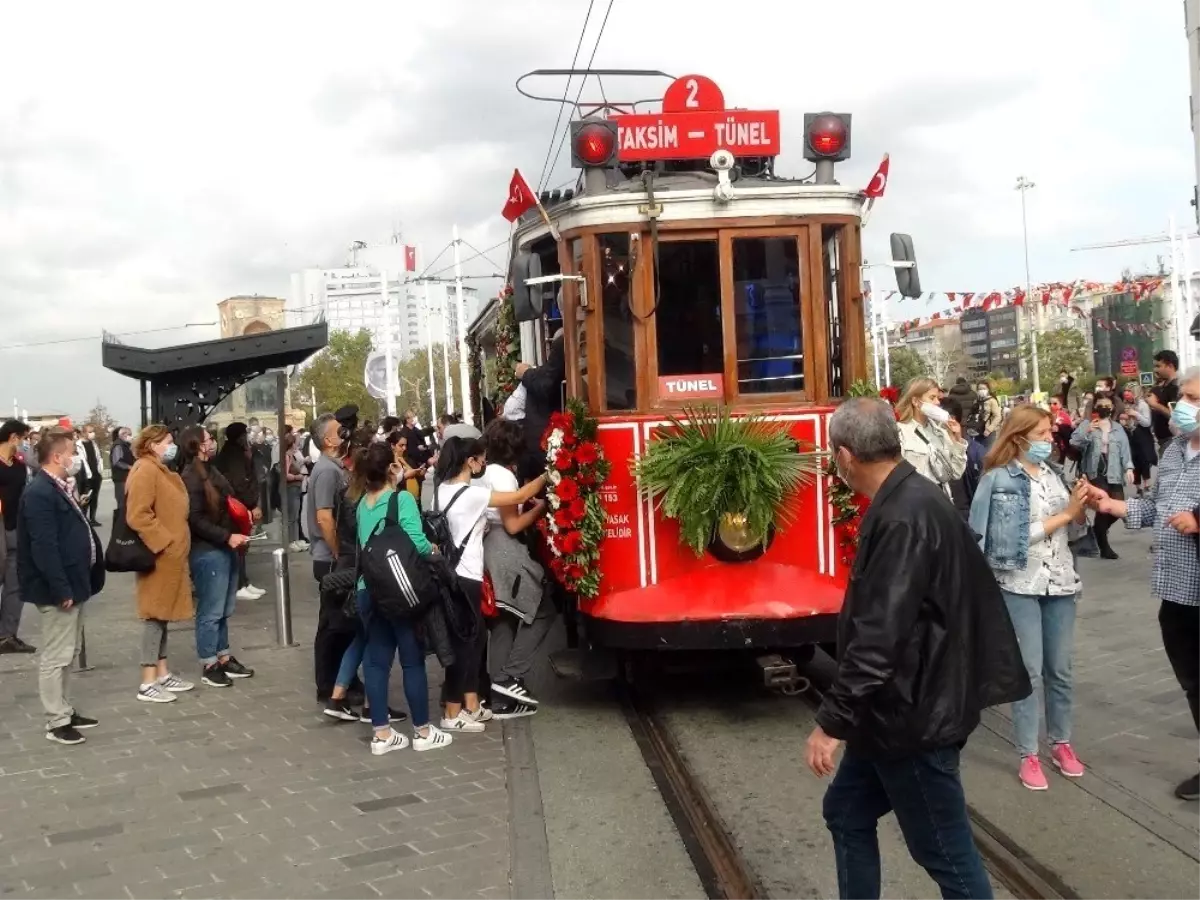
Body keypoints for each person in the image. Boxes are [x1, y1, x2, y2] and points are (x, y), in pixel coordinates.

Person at [806, 398, 1030, 900]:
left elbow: (880, 637)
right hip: (895, 713)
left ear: (843, 456)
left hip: (912, 716)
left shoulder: (904, 516)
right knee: (845, 812)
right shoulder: (913, 497)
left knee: (945, 852)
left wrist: (831, 722)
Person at [1088, 366, 1200, 801]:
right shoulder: (1173, 451)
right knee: (1193, 681)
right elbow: (1153, 507)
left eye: (1193, 399)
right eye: (1183, 399)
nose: (1182, 408)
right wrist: (1112, 504)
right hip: (1175, 588)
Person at [969, 405, 1089, 791]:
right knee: (1029, 672)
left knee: (1061, 670)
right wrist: (1066, 515)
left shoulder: (1055, 474)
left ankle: (1061, 742)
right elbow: (989, 539)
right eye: (1041, 434)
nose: (1049, 440)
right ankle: (1028, 753)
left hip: (1060, 581)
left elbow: (1074, 530)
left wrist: (1081, 507)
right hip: (1019, 583)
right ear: (1019, 438)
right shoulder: (997, 479)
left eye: (1050, 433)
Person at [434, 436, 547, 732]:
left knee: (473, 640)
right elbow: (518, 497)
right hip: (466, 575)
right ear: (469, 462)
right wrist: (551, 473)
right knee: (465, 644)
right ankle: (452, 713)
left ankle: (471, 705)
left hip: (452, 574)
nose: (484, 464)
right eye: (480, 459)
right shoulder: (471, 494)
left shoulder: (443, 490)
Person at [354, 442, 452, 755]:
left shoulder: (361, 504)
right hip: (400, 590)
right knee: (411, 660)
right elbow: (418, 543)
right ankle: (423, 730)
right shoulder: (401, 499)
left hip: (368, 588)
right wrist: (435, 551)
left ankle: (382, 734)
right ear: (391, 470)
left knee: (377, 659)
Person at [18, 428, 103, 745]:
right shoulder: (39, 493)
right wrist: (61, 588)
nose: (75, 457)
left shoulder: (59, 487)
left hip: (76, 581)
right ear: (56, 457)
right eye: (71, 451)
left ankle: (65, 709)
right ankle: (56, 721)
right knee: (57, 655)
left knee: (71, 651)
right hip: (59, 588)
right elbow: (44, 546)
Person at [480, 420, 552, 715]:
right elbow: (512, 525)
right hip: (505, 551)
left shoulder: (484, 472)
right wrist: (541, 508)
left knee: (504, 620)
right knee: (543, 608)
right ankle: (511, 675)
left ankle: (500, 698)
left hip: (486, 549)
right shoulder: (504, 476)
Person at [178, 425, 255, 689]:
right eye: (209, 440)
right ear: (197, 445)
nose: (212, 443)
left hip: (226, 546)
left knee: (223, 608)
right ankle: (209, 662)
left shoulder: (211, 470)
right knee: (210, 610)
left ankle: (223, 655)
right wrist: (226, 536)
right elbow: (195, 520)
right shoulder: (190, 478)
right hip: (207, 550)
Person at [125, 425, 196, 703]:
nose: (171, 445)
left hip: (171, 556)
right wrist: (164, 541)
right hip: (159, 556)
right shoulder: (145, 470)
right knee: (154, 616)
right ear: (152, 444)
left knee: (163, 614)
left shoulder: (160, 469)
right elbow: (137, 515)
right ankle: (147, 680)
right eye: (167, 441)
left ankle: (163, 673)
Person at [308, 413, 357, 704]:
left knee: (336, 622)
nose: (345, 433)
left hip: (331, 554)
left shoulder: (332, 467)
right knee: (333, 624)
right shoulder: (327, 471)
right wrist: (339, 550)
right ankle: (329, 683)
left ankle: (339, 679)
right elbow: (324, 516)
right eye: (340, 431)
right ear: (328, 440)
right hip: (329, 557)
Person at [1070, 394, 1134, 560]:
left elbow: (1125, 449)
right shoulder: (1087, 424)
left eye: (1107, 405)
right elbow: (1074, 442)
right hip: (1094, 470)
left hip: (1114, 471)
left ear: (1112, 408)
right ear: (1095, 407)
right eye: (1100, 405)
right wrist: (1087, 430)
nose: (1104, 407)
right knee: (1103, 506)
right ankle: (1104, 546)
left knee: (1118, 507)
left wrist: (1129, 467)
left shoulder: (1117, 427)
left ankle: (1098, 530)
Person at [214, 423, 265, 600]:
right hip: (238, 506)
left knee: (243, 544)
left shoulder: (236, 452)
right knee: (240, 545)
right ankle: (238, 584)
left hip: (240, 505)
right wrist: (252, 505)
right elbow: (240, 482)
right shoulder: (234, 454)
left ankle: (243, 581)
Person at [895, 377, 967, 499]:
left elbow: (956, 472)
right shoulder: (900, 431)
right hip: (914, 502)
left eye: (938, 398)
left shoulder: (941, 432)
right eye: (932, 398)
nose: (937, 403)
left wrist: (957, 438)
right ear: (916, 402)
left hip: (940, 501)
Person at [0, 419, 35, 654]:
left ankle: (7, 636)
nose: (24, 444)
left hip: (15, 528)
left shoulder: (19, 465)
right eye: (23, 439)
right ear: (13, 437)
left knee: (15, 582)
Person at [1122, 384, 1156, 497]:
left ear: (1135, 392)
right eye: (1125, 391)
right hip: (1130, 435)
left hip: (1142, 436)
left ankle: (1147, 486)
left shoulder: (1142, 405)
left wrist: (1135, 414)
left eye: (1129, 391)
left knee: (1144, 460)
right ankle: (1138, 488)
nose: (1126, 393)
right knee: (1134, 460)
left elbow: (1147, 423)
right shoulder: (1125, 404)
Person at [1148, 349, 1180, 456]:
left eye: (1158, 366)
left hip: (1172, 441)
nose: (1155, 370)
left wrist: (1155, 405)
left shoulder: (1175, 388)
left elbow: (1175, 415)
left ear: (1170, 366)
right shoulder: (1164, 387)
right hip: (1164, 441)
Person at [281, 429, 307, 551]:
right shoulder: (286, 456)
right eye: (296, 442)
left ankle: (296, 539)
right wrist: (298, 477)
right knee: (292, 516)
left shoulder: (292, 455)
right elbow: (285, 475)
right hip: (291, 488)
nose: (298, 444)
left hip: (296, 488)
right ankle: (291, 541)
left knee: (296, 516)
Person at [386, 432, 425, 500]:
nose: (404, 448)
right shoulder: (388, 463)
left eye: (405, 445)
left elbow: (416, 475)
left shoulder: (408, 459)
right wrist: (405, 476)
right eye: (401, 445)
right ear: (393, 445)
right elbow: (389, 483)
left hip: (415, 500)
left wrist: (419, 473)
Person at [77, 426, 103, 526]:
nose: (93, 434)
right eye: (90, 432)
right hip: (87, 476)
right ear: (84, 433)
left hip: (96, 474)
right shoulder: (78, 445)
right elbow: (82, 461)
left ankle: (93, 518)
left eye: (93, 431)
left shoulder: (94, 444)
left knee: (95, 498)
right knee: (86, 497)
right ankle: (84, 518)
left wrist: (100, 470)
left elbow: (98, 457)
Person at [969, 380, 1002, 449]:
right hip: (977, 431)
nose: (981, 390)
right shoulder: (976, 401)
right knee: (978, 453)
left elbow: (998, 416)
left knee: (987, 453)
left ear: (988, 390)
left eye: (984, 389)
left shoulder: (992, 401)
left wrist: (989, 429)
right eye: (979, 389)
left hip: (988, 432)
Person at [110, 426, 134, 516]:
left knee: (127, 502)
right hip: (121, 478)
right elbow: (117, 462)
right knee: (122, 503)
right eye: (129, 434)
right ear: (123, 434)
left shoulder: (126, 445)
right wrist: (129, 467)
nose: (131, 436)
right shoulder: (118, 445)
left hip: (126, 478)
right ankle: (120, 525)